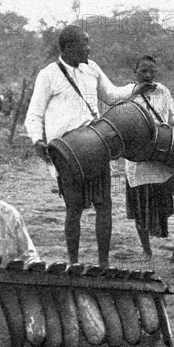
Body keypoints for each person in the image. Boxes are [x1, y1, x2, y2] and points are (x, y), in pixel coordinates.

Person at [24, 25, 155, 268]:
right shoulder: (48, 75)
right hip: (68, 151)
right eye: (85, 43)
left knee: (103, 205)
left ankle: (103, 264)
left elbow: (112, 96)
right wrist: (37, 141)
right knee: (74, 208)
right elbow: (34, 115)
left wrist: (137, 88)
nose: (89, 47)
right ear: (69, 47)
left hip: (96, 145)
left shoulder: (92, 68)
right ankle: (73, 262)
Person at [123, 55, 174, 263]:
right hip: (140, 160)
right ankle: (147, 252)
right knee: (140, 208)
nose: (148, 75)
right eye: (143, 71)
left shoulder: (162, 90)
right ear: (134, 71)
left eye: (151, 72)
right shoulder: (127, 95)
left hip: (163, 157)